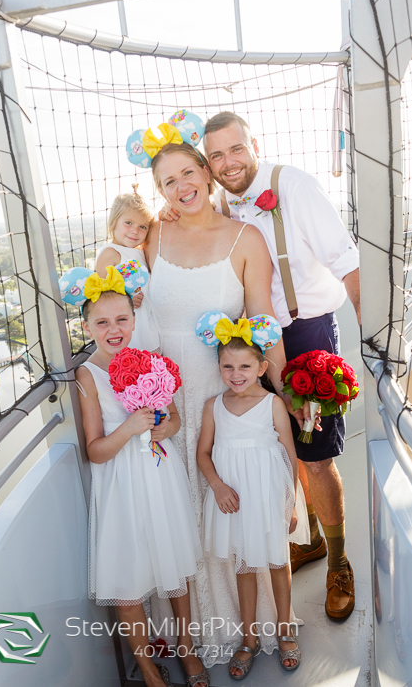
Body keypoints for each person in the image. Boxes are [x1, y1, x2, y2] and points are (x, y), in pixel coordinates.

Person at [163, 111, 360, 620]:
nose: (228, 163)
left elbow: (347, 260)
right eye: (217, 156)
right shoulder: (217, 198)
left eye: (236, 150)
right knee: (278, 446)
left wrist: (372, 338)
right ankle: (308, 537)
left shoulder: (293, 185)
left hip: (304, 331)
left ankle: (339, 563)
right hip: (243, 343)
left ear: (255, 145)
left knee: (314, 453)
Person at [145, 141, 301, 662]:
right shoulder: (152, 234)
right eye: (168, 181)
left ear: (208, 173)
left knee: (231, 511)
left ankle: (251, 630)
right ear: (159, 191)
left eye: (189, 172)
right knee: (179, 514)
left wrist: (292, 391)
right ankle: (193, 638)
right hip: (164, 408)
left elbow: (264, 325)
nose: (181, 186)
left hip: (222, 400)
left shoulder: (246, 237)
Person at [75, 272, 207, 687]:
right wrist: (130, 428)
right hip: (121, 486)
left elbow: (176, 420)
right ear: (85, 327)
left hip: (158, 473)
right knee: (128, 584)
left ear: (134, 318)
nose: (113, 330)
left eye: (121, 320)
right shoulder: (87, 376)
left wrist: (164, 428)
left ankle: (185, 651)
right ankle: (148, 670)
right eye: (101, 323)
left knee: (176, 569)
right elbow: (95, 451)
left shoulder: (151, 361)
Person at [197, 330, 308, 676]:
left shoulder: (273, 404)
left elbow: (289, 454)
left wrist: (290, 504)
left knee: (278, 561)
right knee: (243, 565)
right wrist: (216, 486)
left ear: (262, 367)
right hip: (236, 498)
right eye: (228, 366)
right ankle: (249, 638)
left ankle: (284, 629)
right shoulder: (213, 406)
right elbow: (202, 453)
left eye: (245, 365)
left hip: (269, 493)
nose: (236, 373)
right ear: (218, 367)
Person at [96, 190, 159, 352]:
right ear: (113, 222)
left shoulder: (139, 252)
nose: (134, 231)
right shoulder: (111, 253)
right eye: (128, 223)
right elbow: (100, 295)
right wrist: (127, 297)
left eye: (142, 227)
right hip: (129, 329)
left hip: (147, 322)